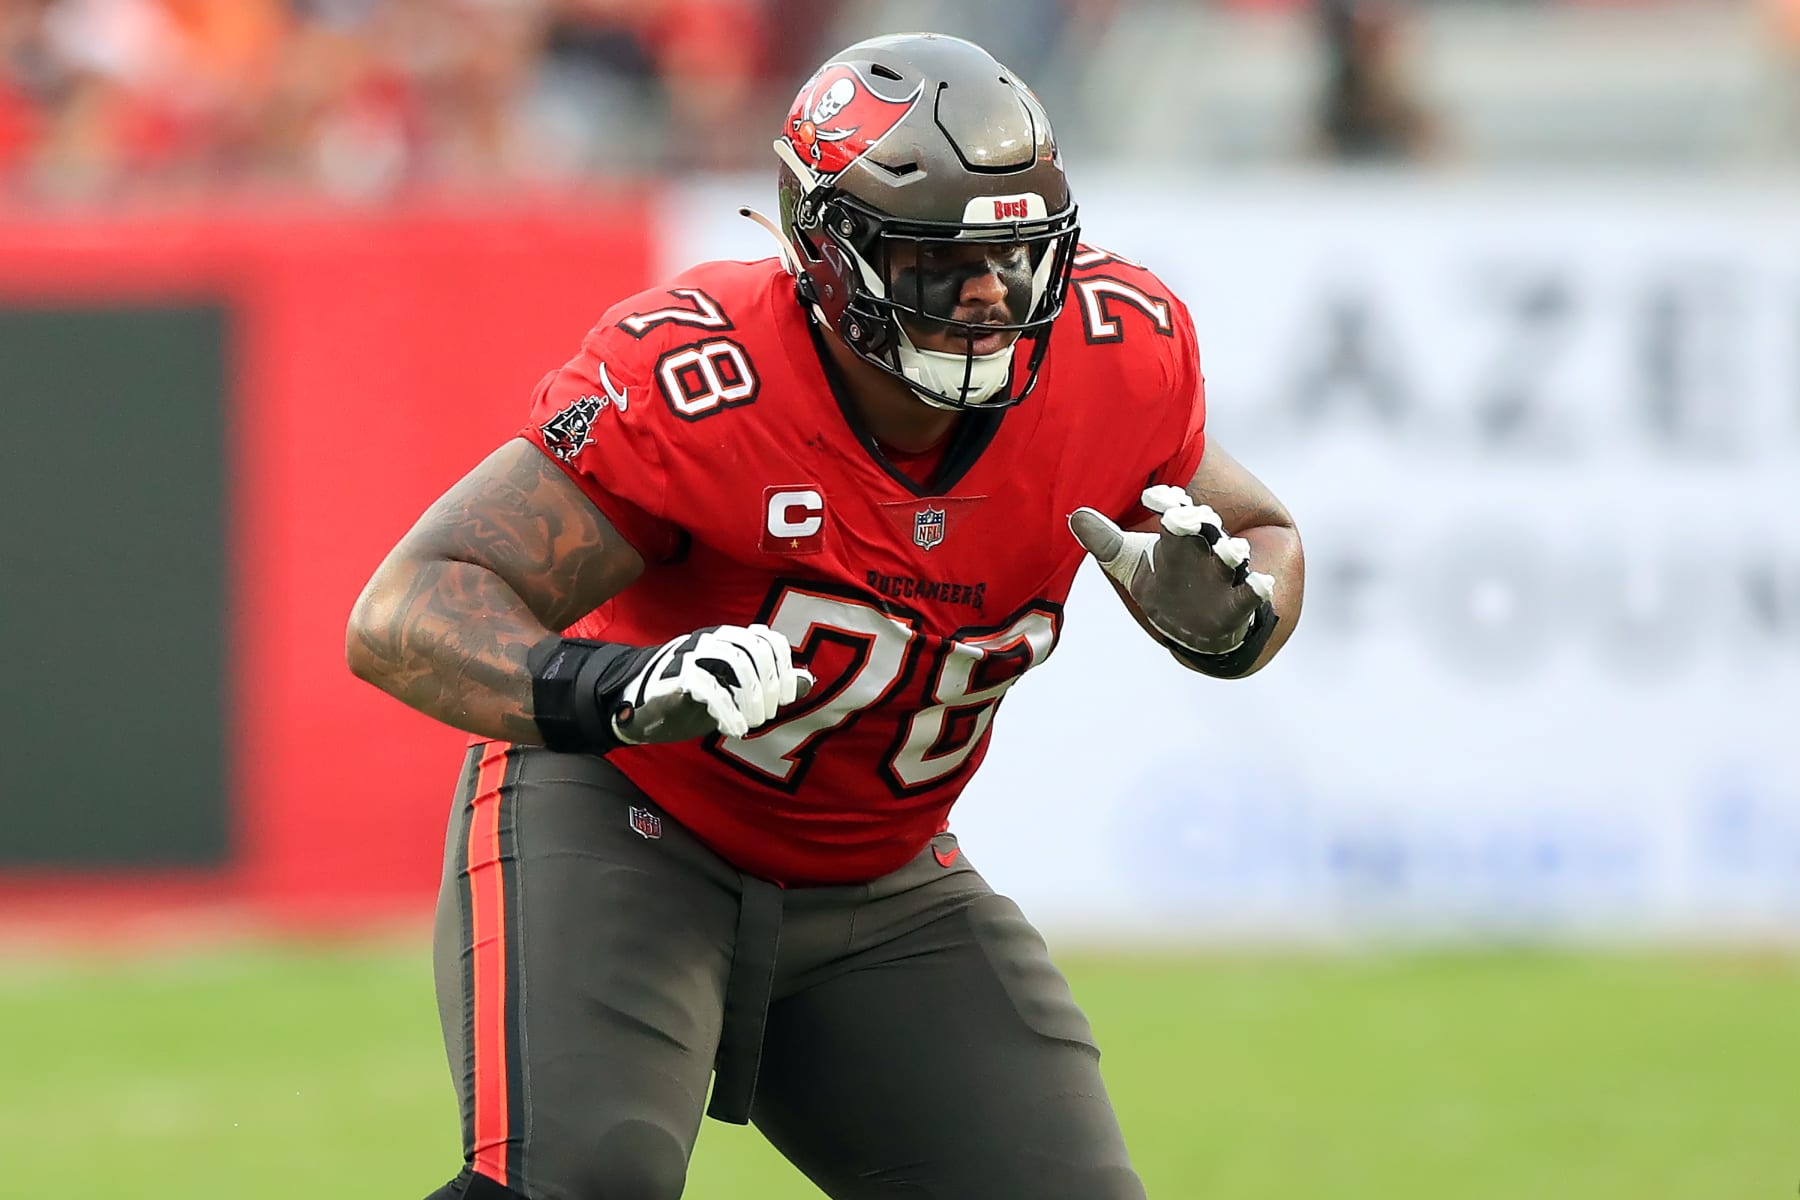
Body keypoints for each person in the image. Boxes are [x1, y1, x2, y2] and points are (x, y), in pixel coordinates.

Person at [347, 31, 1304, 1200]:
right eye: (934, 260)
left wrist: (1226, 619)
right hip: (634, 822)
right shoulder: (707, 379)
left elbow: (1260, 535)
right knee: (580, 1181)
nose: (989, 295)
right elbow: (404, 610)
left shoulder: (1117, 360)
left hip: (883, 877)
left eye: (1015, 254)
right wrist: (621, 691)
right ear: (827, 254)